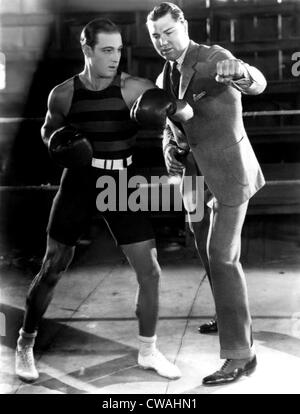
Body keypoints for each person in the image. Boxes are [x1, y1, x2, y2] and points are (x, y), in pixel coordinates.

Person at [15, 17, 193, 382]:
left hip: (122, 182)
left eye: (119, 50)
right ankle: (25, 343)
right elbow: (48, 129)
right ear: (87, 50)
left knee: (150, 271)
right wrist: (56, 142)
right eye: (107, 50)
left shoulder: (133, 88)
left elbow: (183, 111)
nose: (115, 58)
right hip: (80, 181)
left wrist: (174, 111)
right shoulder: (63, 94)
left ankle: (148, 350)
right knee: (53, 266)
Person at [145, 2, 267, 385]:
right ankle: (228, 312)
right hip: (196, 179)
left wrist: (243, 72)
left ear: (183, 25)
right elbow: (172, 128)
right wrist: (170, 149)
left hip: (230, 174)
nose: (162, 42)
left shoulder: (213, 58)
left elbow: (257, 82)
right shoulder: (165, 76)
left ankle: (240, 355)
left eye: (168, 32)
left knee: (222, 257)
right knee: (203, 249)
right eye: (155, 36)